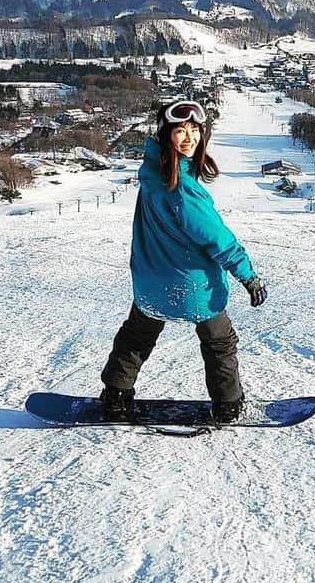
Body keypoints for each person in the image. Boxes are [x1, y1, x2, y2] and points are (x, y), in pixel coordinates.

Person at [100, 99, 267, 424]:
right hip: (192, 287)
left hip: (151, 285)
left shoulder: (151, 175)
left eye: (194, 130)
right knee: (220, 342)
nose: (189, 137)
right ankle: (228, 405)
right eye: (180, 130)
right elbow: (219, 240)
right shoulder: (184, 192)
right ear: (166, 135)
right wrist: (249, 276)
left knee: (135, 337)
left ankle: (115, 397)